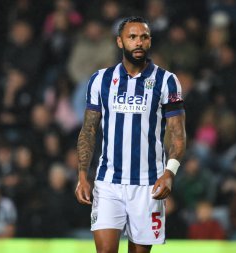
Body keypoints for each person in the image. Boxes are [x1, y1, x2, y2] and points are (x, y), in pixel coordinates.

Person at [75, 17, 186, 253]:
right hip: (108, 183)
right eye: (132, 37)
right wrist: (82, 174)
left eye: (144, 37)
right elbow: (88, 130)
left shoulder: (167, 81)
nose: (138, 42)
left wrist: (169, 172)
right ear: (119, 41)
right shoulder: (100, 80)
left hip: (148, 185)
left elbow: (177, 133)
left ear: (150, 42)